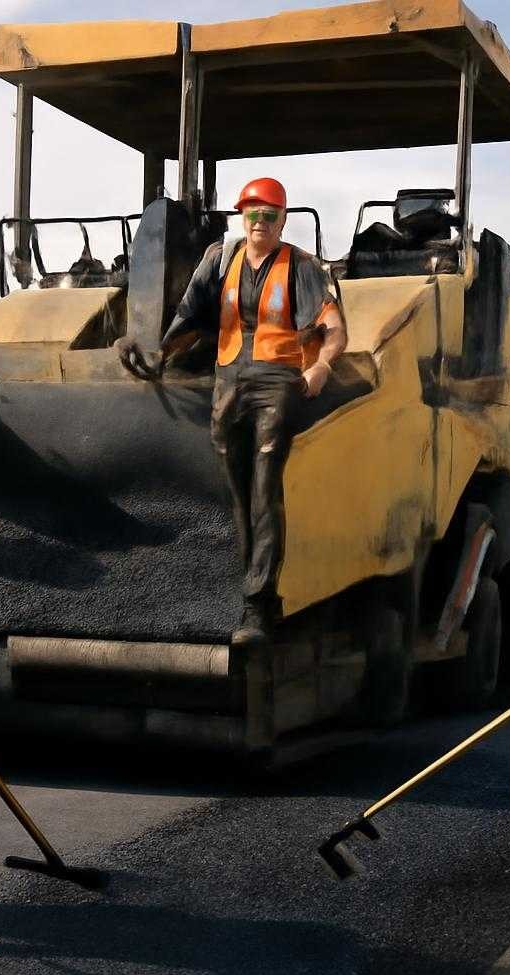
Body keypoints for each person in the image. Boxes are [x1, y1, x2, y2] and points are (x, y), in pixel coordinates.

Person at [119, 177, 346, 644]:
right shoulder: (219, 260)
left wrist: (322, 366)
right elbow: (189, 317)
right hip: (227, 384)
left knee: (265, 483)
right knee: (237, 491)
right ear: (242, 216)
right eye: (252, 213)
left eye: (269, 215)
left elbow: (333, 327)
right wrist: (158, 356)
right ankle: (245, 588)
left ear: (283, 220)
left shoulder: (302, 267)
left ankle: (258, 605)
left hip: (277, 383)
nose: (260, 222)